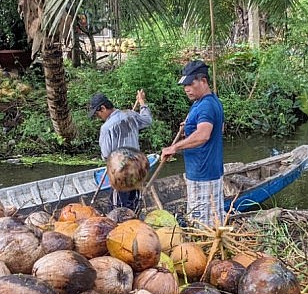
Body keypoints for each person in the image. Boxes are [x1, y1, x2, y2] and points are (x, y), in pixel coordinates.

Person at [161, 60, 224, 226]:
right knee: (205, 219)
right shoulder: (203, 102)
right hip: (204, 170)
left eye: (190, 84)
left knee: (203, 225)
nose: (186, 89)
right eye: (184, 85)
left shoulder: (207, 106)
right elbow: (215, 127)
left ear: (203, 81)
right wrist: (188, 126)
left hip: (203, 174)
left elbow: (203, 135)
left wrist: (175, 147)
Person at [89, 89, 152, 210]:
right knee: (133, 203)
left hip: (120, 173)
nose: (98, 117)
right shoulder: (130, 115)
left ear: (103, 108)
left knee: (118, 207)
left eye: (97, 114)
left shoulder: (107, 128)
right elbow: (147, 120)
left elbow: (106, 154)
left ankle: (122, 226)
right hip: (137, 168)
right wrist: (142, 103)